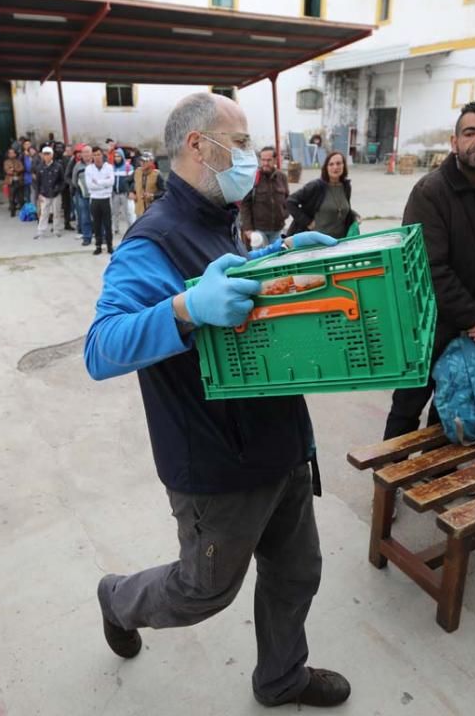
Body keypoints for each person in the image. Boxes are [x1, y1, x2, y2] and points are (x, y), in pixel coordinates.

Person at [84, 91, 349, 709]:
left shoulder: (216, 220)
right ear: (197, 146)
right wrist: (183, 310)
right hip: (216, 460)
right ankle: (117, 599)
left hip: (278, 438)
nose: (252, 157)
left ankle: (282, 677)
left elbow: (226, 279)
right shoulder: (151, 241)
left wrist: (271, 259)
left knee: (295, 572)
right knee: (202, 590)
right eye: (240, 141)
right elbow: (100, 348)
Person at [381, 101, 475, 439]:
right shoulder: (430, 192)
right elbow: (428, 267)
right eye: (470, 132)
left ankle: (438, 476)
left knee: (458, 401)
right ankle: (387, 481)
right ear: (454, 141)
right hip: (426, 325)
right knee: (407, 406)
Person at [286, 151, 358, 241]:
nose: (335, 167)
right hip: (316, 243)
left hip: (339, 242)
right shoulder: (316, 186)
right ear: (326, 168)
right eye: (331, 164)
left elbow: (340, 207)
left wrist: (354, 215)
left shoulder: (346, 187)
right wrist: (308, 222)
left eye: (338, 163)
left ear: (344, 166)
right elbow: (290, 201)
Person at [240, 146, 289, 248]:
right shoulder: (253, 177)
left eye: (269, 160)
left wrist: (284, 214)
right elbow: (245, 204)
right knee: (260, 260)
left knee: (277, 258)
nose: (265, 163)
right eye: (263, 160)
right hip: (258, 231)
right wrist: (248, 228)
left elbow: (287, 199)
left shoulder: (282, 177)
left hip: (277, 229)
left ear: (275, 160)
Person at [85, 146, 115, 255]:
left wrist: (97, 182)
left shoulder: (109, 167)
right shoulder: (89, 169)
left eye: (99, 154)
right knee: (96, 224)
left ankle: (110, 246)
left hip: (106, 198)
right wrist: (104, 183)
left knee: (108, 224)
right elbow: (89, 185)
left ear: (102, 155)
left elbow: (111, 182)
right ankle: (98, 246)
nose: (97, 157)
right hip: (95, 199)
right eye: (95, 155)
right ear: (92, 156)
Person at [33, 146, 65, 239]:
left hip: (56, 193)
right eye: (45, 154)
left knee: (56, 212)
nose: (46, 156)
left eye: (48, 154)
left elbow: (62, 180)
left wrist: (58, 189)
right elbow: (37, 182)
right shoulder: (40, 167)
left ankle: (56, 230)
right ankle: (41, 231)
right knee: (44, 213)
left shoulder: (58, 166)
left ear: (52, 155)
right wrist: (38, 193)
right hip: (44, 193)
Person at [72, 145, 93, 246]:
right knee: (85, 217)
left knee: (98, 217)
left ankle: (101, 237)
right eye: (84, 152)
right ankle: (87, 237)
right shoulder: (77, 166)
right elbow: (74, 181)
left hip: (96, 196)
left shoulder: (96, 164)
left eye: (88, 152)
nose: (86, 154)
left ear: (91, 153)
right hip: (83, 196)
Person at [111, 148, 133, 235]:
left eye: (119, 156)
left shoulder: (128, 167)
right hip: (115, 194)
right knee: (115, 213)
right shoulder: (112, 168)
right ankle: (116, 228)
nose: (117, 158)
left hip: (125, 194)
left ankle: (130, 228)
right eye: (115, 156)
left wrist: (130, 192)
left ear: (122, 157)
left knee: (127, 212)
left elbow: (132, 182)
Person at [3, 148, 23, 217]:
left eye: (13, 153)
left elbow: (21, 168)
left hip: (18, 180)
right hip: (11, 181)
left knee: (20, 197)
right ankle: (12, 211)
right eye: (10, 153)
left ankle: (22, 211)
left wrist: (14, 169)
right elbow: (7, 171)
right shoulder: (6, 162)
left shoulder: (18, 161)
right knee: (11, 197)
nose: (12, 154)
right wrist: (14, 171)